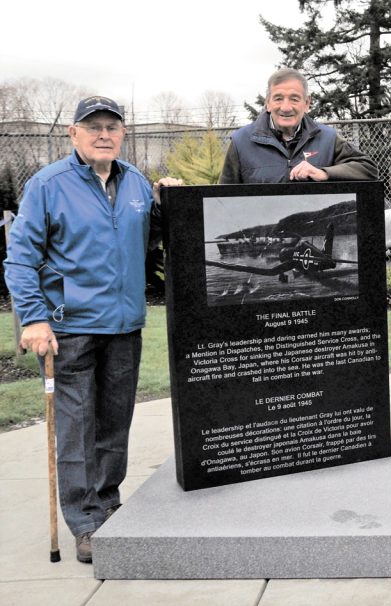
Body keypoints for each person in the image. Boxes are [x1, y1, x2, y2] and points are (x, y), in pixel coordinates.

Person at [4, 96, 182, 562]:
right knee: (78, 425)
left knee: (114, 423)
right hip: (71, 328)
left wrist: (170, 203)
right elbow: (20, 258)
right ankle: (85, 521)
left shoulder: (137, 183)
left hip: (124, 324)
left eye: (112, 127)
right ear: (74, 134)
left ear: (123, 134)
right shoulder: (48, 184)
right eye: (94, 126)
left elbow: (153, 239)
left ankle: (108, 504)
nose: (104, 134)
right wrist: (35, 318)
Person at [219, 68, 379, 184]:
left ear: (307, 103)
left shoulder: (327, 138)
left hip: (315, 229)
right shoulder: (241, 142)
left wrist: (324, 173)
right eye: (278, 98)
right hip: (262, 231)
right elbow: (222, 200)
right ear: (267, 103)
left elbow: (368, 169)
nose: (286, 107)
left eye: (294, 99)